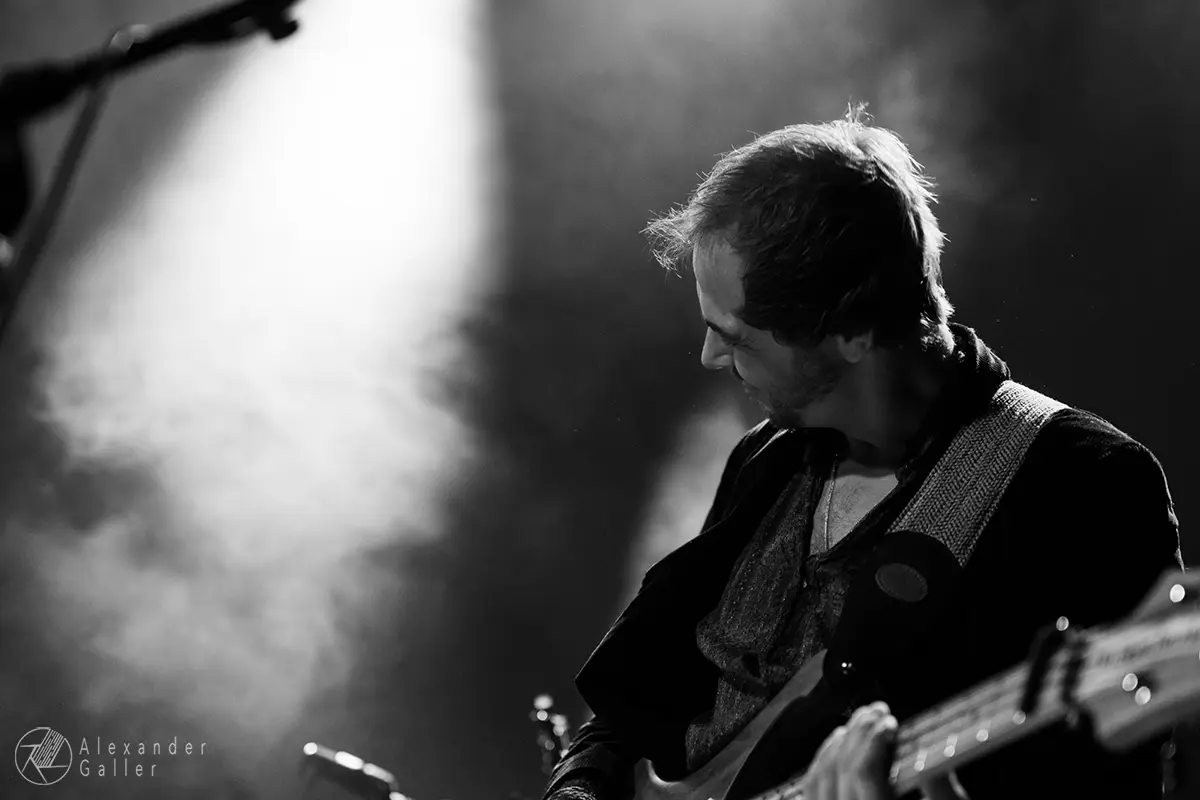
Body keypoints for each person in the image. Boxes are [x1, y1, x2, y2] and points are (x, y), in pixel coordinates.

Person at [542, 106, 1184, 800]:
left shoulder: (1085, 486)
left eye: (737, 336)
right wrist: (580, 786)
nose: (709, 356)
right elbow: (633, 714)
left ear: (851, 329)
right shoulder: (767, 457)